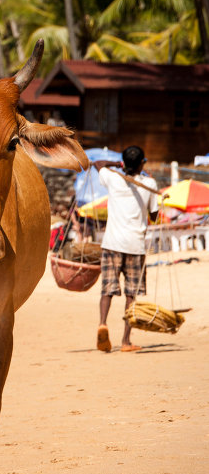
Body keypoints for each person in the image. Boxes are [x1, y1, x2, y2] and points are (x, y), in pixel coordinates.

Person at [93, 146, 159, 352]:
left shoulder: (114, 178)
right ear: (141, 164)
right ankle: (126, 341)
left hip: (112, 243)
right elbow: (154, 216)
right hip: (135, 245)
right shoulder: (149, 184)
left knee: (107, 290)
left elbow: (98, 164)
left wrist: (118, 165)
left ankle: (102, 323)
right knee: (131, 294)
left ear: (124, 163)